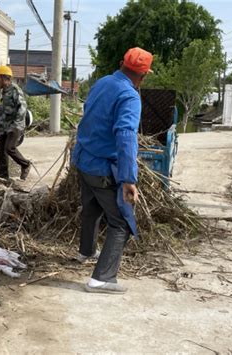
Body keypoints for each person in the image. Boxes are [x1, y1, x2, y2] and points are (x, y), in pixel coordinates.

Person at [71, 47, 153, 294]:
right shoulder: (130, 96)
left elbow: (89, 116)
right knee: (122, 223)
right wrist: (129, 179)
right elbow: (126, 135)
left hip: (84, 160)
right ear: (144, 75)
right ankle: (102, 278)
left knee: (92, 208)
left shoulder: (102, 83)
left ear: (121, 63)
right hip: (104, 168)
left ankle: (86, 251)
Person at [0, 65, 31, 180]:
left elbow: (22, 107)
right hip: (6, 126)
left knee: (10, 148)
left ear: (4, 77)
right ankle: (3, 176)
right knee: (1, 151)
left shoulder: (15, 89)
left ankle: (26, 164)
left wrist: (16, 124)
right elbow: (4, 111)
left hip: (15, 125)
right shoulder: (4, 91)